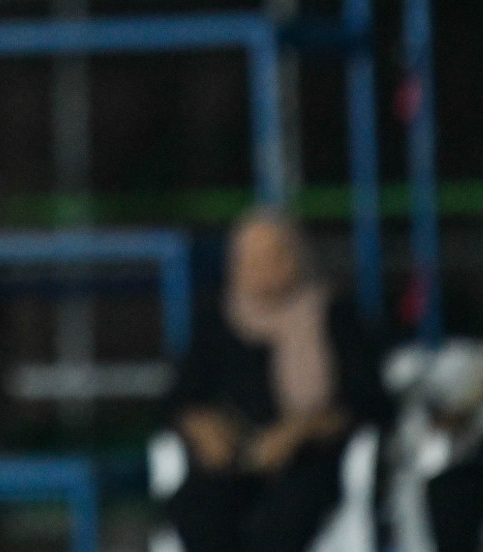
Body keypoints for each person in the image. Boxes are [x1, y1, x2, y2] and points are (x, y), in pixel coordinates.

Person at [165, 211, 390, 552]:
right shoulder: (217, 321)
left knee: (281, 518)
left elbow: (367, 401)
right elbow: (180, 398)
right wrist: (204, 428)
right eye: (249, 259)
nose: (260, 269)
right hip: (233, 459)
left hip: (309, 460)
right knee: (198, 509)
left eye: (272, 257)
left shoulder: (335, 317)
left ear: (297, 257)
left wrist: (297, 433)